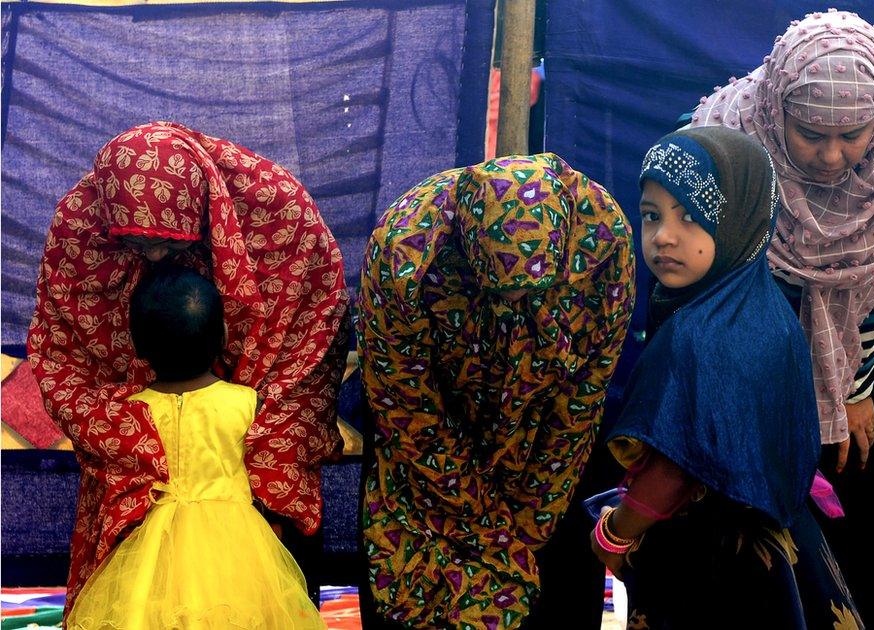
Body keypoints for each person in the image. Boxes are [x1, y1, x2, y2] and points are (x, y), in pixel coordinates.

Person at [687, 10, 874, 627]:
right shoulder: (726, 137)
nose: (833, 157)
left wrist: (853, 390)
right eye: (809, 134)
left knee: (856, 485)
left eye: (853, 135)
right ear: (776, 109)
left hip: (855, 352)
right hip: (751, 345)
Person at [27, 121, 350, 615]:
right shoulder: (82, 225)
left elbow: (310, 330)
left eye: (165, 242)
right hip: (243, 550)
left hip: (155, 531)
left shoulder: (278, 212)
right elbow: (64, 352)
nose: (154, 256)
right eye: (135, 243)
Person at [591, 126, 862, 629]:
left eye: (691, 218)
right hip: (782, 546)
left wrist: (614, 534)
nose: (663, 237)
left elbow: (676, 466)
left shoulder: (695, 337)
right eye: (651, 216)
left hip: (707, 564)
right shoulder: (768, 311)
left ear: (741, 220)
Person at [356, 153, 635, 628]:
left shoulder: (603, 242)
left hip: (544, 453)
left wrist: (529, 521)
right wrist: (489, 529)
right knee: (421, 595)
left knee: (556, 600)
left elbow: (583, 397)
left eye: (533, 296)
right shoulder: (405, 252)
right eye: (500, 294)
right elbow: (405, 407)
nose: (516, 310)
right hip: (427, 459)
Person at [66, 266, 324, 628]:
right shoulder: (249, 404)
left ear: (137, 345)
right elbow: (282, 481)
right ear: (223, 336)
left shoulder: (128, 412)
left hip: (149, 558)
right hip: (239, 556)